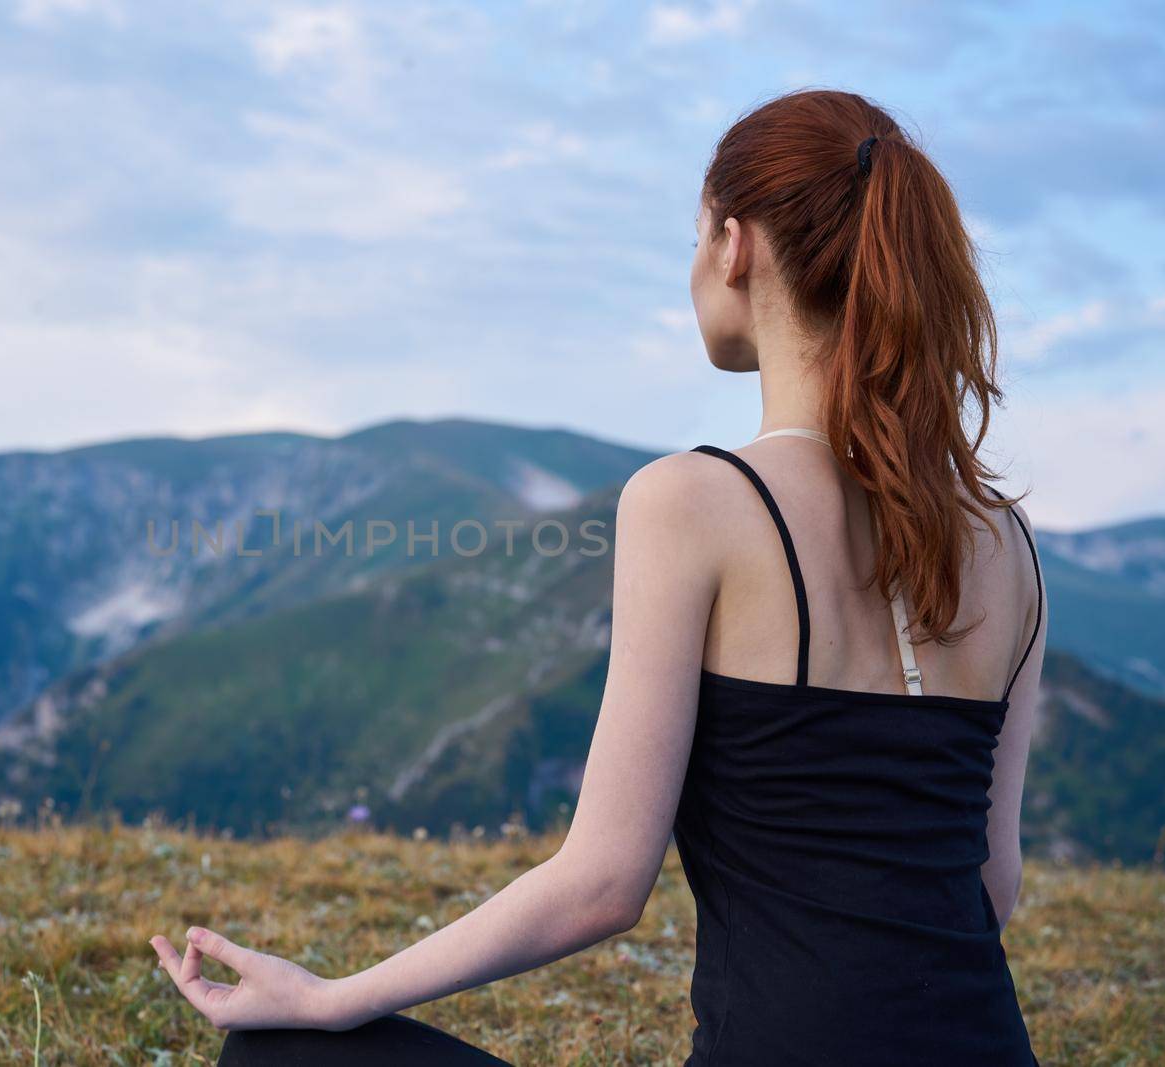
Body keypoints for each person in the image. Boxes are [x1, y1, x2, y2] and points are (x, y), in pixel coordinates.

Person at [148, 87, 1046, 1066]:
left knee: (282, 1059)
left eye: (695, 233)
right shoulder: (1005, 541)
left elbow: (603, 885)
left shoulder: (694, 500)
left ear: (733, 245)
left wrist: (331, 999)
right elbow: (986, 888)